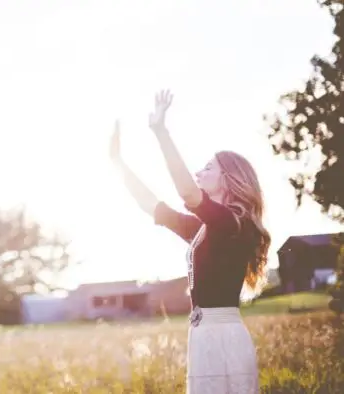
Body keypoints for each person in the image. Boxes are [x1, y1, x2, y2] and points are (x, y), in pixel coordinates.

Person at [109, 90, 269, 394]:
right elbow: (152, 206)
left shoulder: (232, 224)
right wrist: (118, 163)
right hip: (204, 336)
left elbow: (187, 194)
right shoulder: (206, 228)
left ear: (229, 178)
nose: (199, 173)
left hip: (223, 338)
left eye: (208, 168)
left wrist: (161, 132)